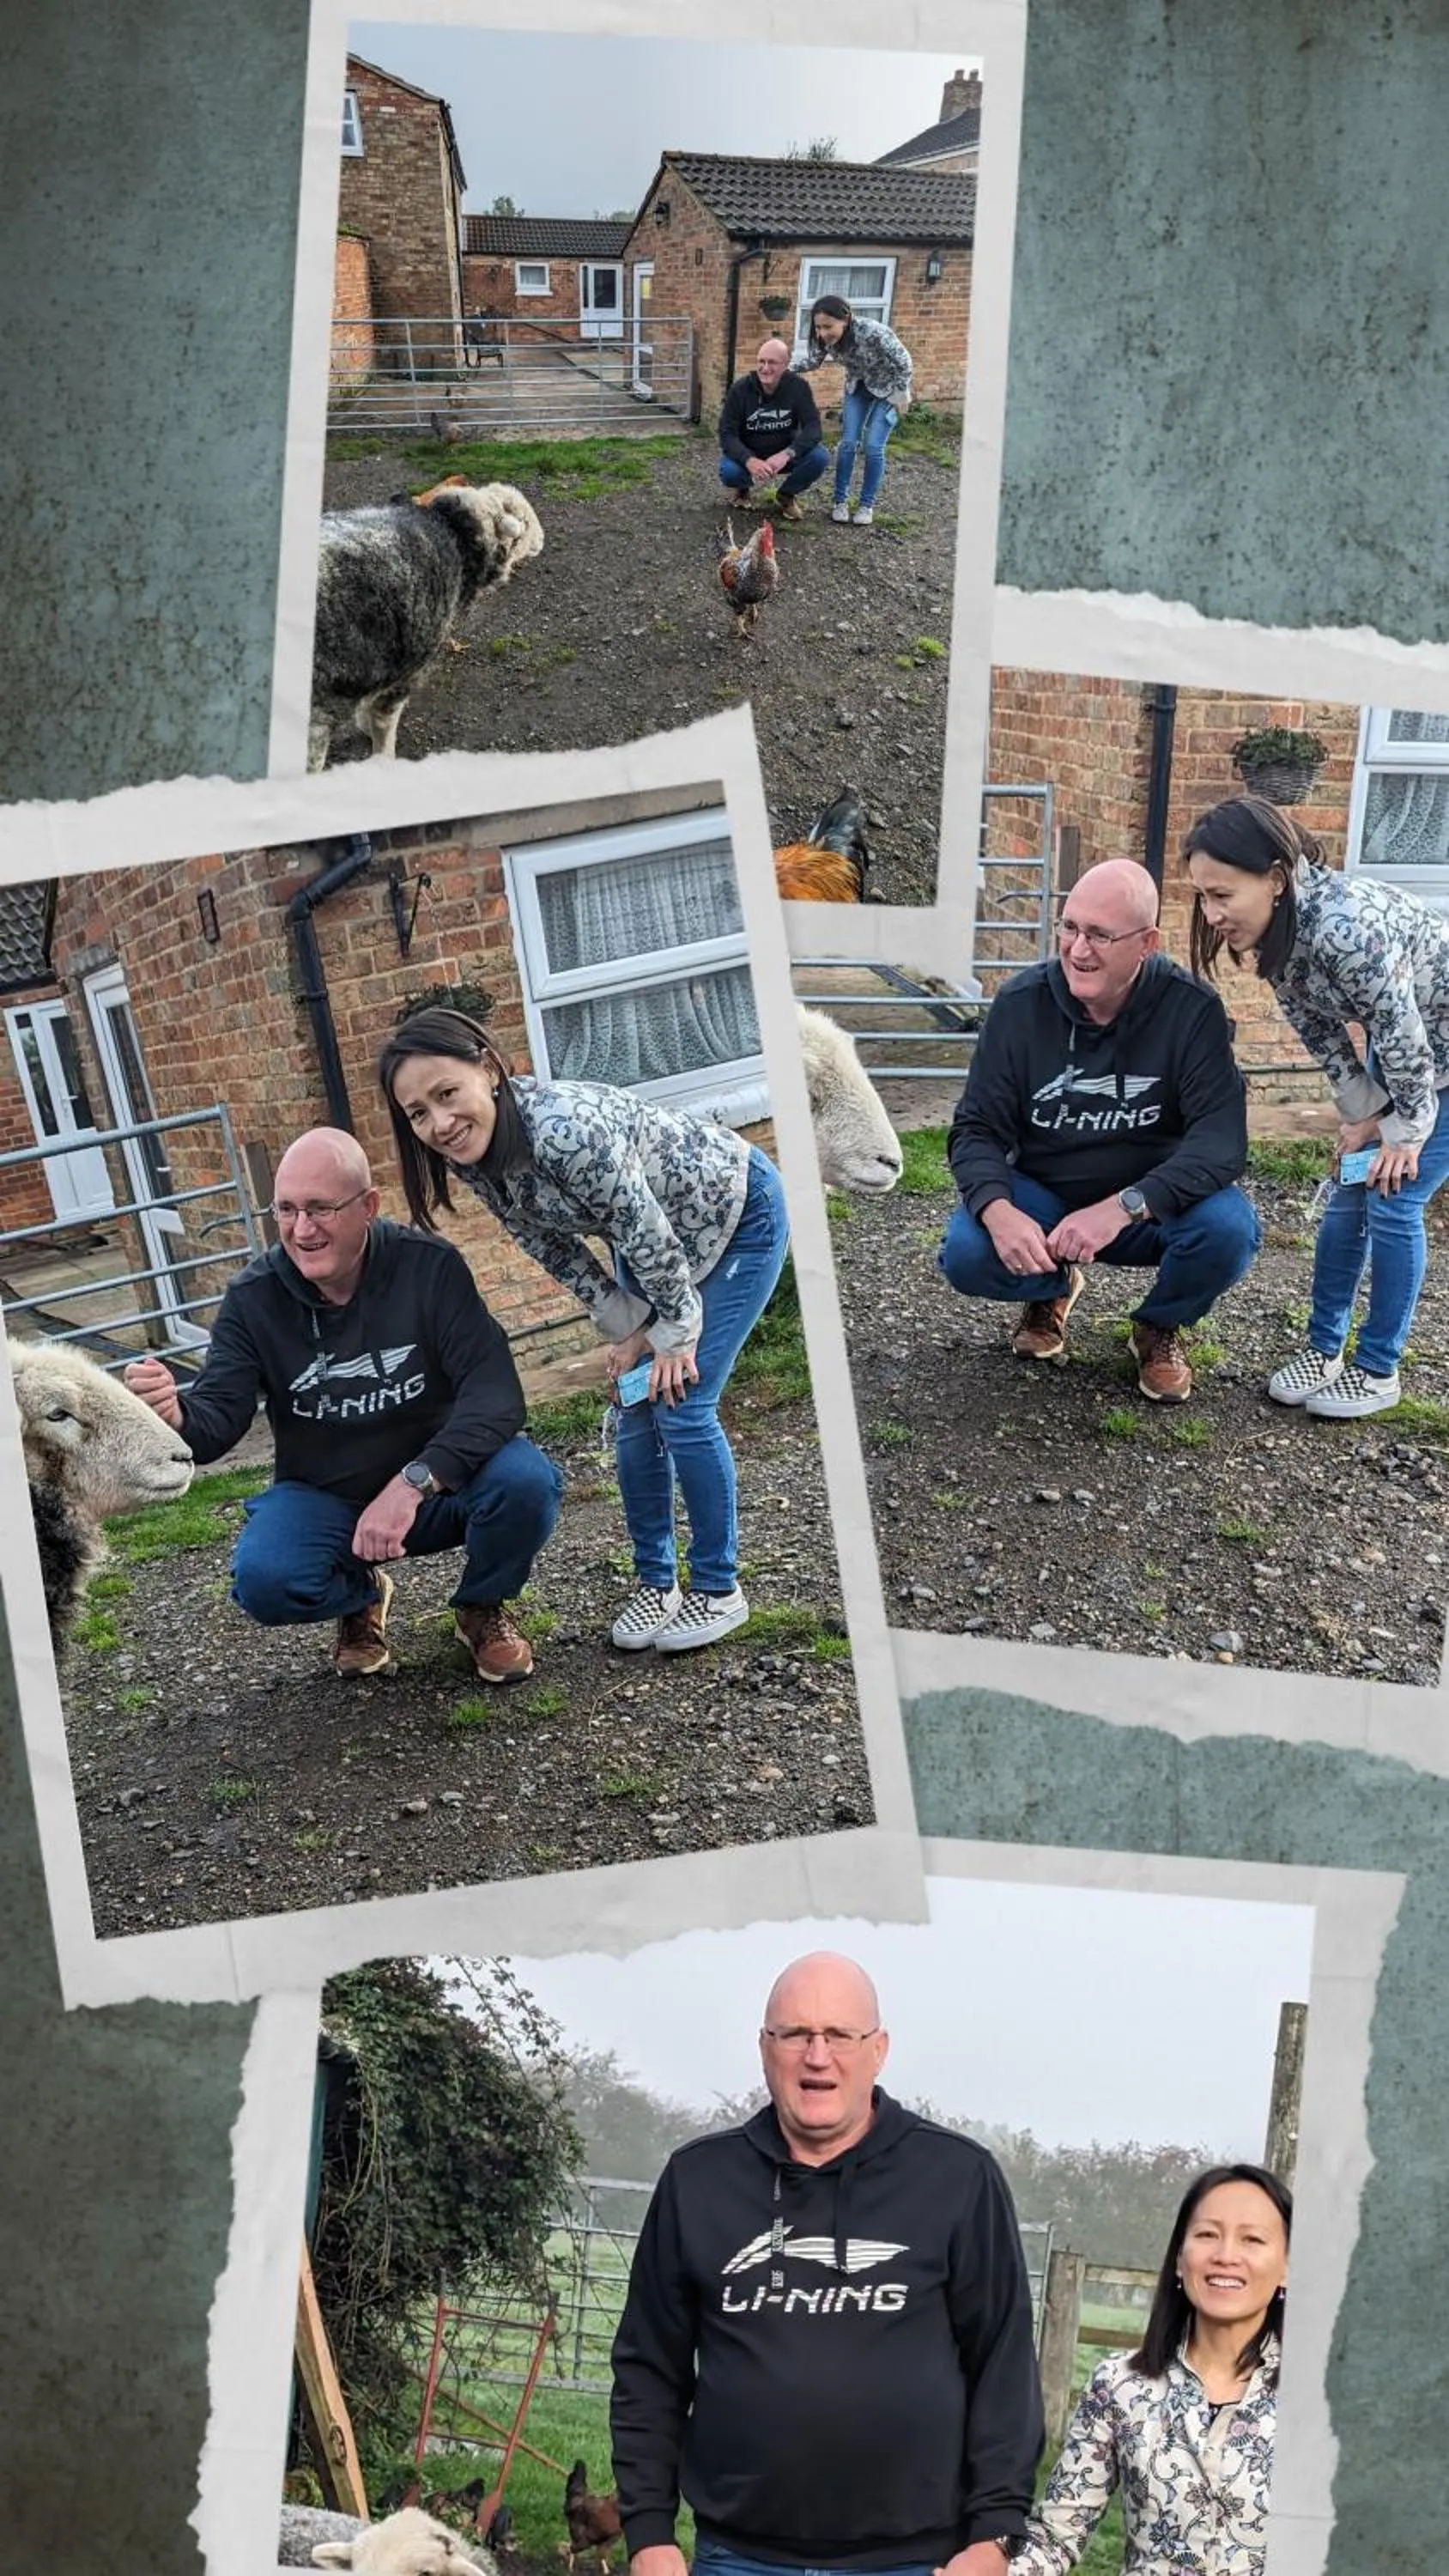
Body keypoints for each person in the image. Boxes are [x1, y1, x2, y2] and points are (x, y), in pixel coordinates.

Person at [610, 1951, 1045, 2576]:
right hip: (738, 2557)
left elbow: (1002, 2364)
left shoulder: (958, 2179)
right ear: (765, 2047)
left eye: (840, 2034)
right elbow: (649, 2369)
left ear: (879, 2048)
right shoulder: (697, 2182)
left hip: (917, 2561)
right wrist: (649, 2534)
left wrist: (995, 2535)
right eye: (795, 2034)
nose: (818, 2056)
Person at [378, 1008, 791, 1654]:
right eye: (417, 1113)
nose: (439, 1124)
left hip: (735, 1213)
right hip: (649, 1240)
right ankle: (658, 1583)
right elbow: (550, 1248)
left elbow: (646, 1230)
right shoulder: (470, 1155)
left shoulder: (564, 1131)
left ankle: (718, 1588)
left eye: (446, 1094)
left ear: (488, 1069)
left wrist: (674, 1334)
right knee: (633, 1409)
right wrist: (626, 1326)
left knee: (681, 1403)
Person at [122, 1125, 562, 1685]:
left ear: (368, 1206)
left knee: (527, 1482)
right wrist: (175, 1414)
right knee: (265, 1580)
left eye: (320, 1209)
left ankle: (482, 1606)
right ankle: (360, 1597)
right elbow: (217, 1423)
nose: (301, 1230)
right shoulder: (253, 1299)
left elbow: (496, 1394)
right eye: (286, 1210)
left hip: (440, 1489)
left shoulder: (428, 1267)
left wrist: (413, 1484)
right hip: (330, 1500)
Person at [942, 859, 1261, 1404]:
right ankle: (1053, 1287)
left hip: (1147, 1204)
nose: (1077, 949)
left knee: (1230, 1232)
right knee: (968, 1251)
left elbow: (1220, 1144)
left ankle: (1159, 1325)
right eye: (1069, 928)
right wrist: (999, 1212)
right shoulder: (1020, 1006)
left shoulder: (1192, 1011)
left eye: (1100, 935)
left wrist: (1124, 1206)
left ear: (1147, 943)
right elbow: (976, 1128)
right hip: (1047, 1198)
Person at [1187, 793, 1449, 1419]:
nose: (1210, 911)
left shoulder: (1344, 928)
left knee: (1394, 1196)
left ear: (1275, 879)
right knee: (1347, 1186)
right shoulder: (1280, 937)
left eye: (1222, 894)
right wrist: (1361, 1113)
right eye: (1202, 894)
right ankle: (1324, 1349)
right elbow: (1324, 1034)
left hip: (1429, 1053)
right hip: (1409, 1050)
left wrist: (1404, 1134)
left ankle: (1378, 1368)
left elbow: (1403, 1035)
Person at [1014, 2162, 1290, 2575]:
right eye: (1207, 2235)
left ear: (1288, 2266)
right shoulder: (1120, 2385)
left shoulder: (1326, 2403)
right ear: (1180, 2259)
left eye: (1252, 2239)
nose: (1226, 2255)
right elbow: (1056, 2535)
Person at [794, 294, 913, 527]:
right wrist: (785, 371)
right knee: (848, 443)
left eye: (828, 326)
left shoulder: (873, 332)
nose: (822, 333)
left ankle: (866, 505)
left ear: (846, 319)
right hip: (857, 387)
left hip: (888, 390)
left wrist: (901, 394)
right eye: (818, 327)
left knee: (873, 446)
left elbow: (905, 362)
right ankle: (840, 501)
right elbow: (814, 361)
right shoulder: (826, 340)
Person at [717, 338, 830, 520]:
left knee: (820, 457)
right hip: (751, 452)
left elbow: (813, 428)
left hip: (784, 454)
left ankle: (786, 495)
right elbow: (726, 433)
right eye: (761, 361)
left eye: (772, 362)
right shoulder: (740, 390)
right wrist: (749, 460)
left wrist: (788, 454)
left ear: (785, 366)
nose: (765, 368)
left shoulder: (798, 388)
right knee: (729, 471)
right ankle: (742, 490)